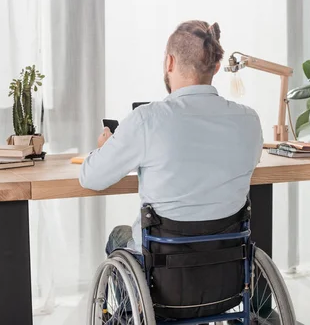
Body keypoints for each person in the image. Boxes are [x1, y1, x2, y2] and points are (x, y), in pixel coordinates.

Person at [79, 20, 263, 255]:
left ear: (170, 62)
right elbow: (252, 161)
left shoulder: (146, 119)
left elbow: (90, 178)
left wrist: (105, 148)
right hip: (226, 260)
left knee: (119, 235)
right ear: (216, 67)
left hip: (163, 262)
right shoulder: (249, 120)